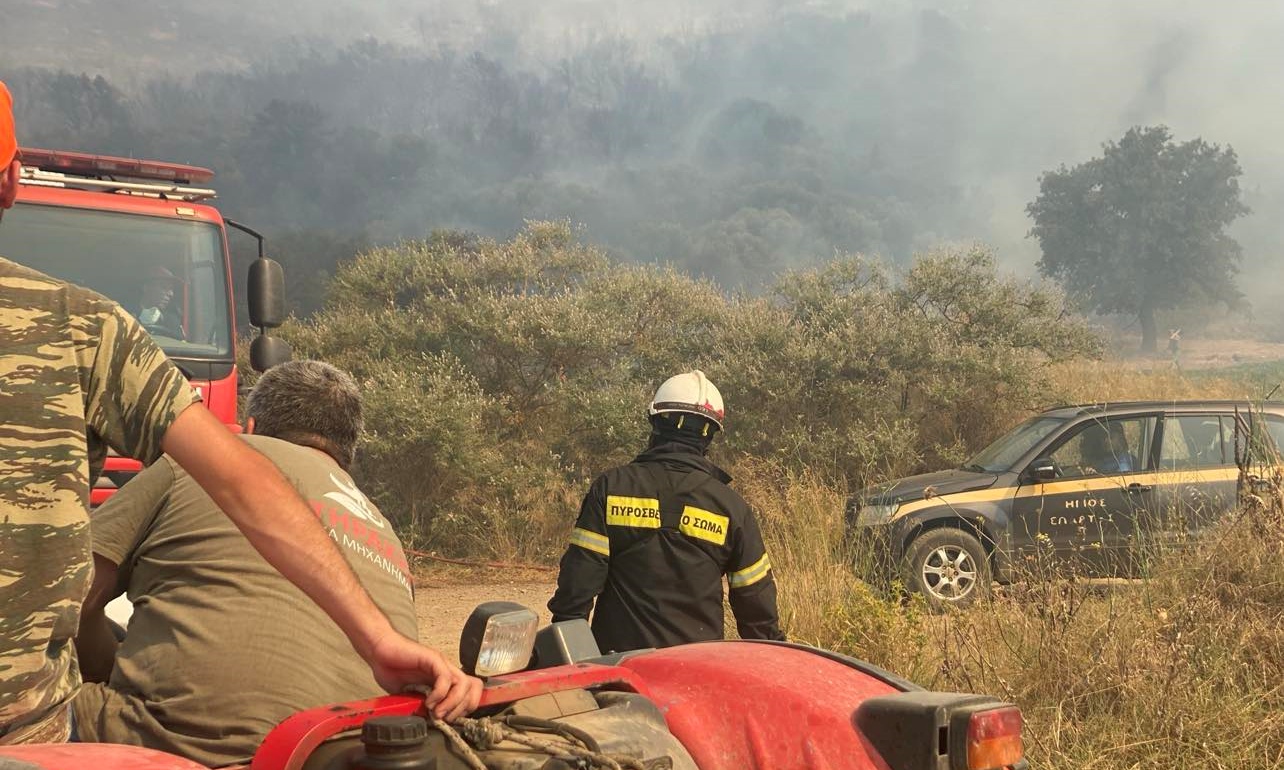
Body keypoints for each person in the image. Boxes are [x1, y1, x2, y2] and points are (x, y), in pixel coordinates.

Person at [0, 81, 479, 746]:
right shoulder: (78, 326)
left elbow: (92, 589)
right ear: (11, 182)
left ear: (255, 425)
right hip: (27, 733)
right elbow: (241, 483)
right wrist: (379, 641)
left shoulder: (176, 467)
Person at [71, 360, 420, 766]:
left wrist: (105, 665)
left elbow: (71, 595)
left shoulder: (198, 464)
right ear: (347, 454)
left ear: (250, 427)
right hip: (341, 752)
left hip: (173, 743)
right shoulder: (384, 526)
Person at [547, 370, 785, 653]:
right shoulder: (731, 508)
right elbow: (756, 608)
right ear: (709, 436)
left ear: (656, 423)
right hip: (698, 669)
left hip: (618, 666)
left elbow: (578, 586)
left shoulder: (610, 488)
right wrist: (777, 659)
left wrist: (569, 658)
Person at [136, 265, 185, 339]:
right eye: (164, 287)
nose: (171, 294)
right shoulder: (126, 315)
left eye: (172, 289)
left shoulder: (172, 322)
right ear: (146, 287)